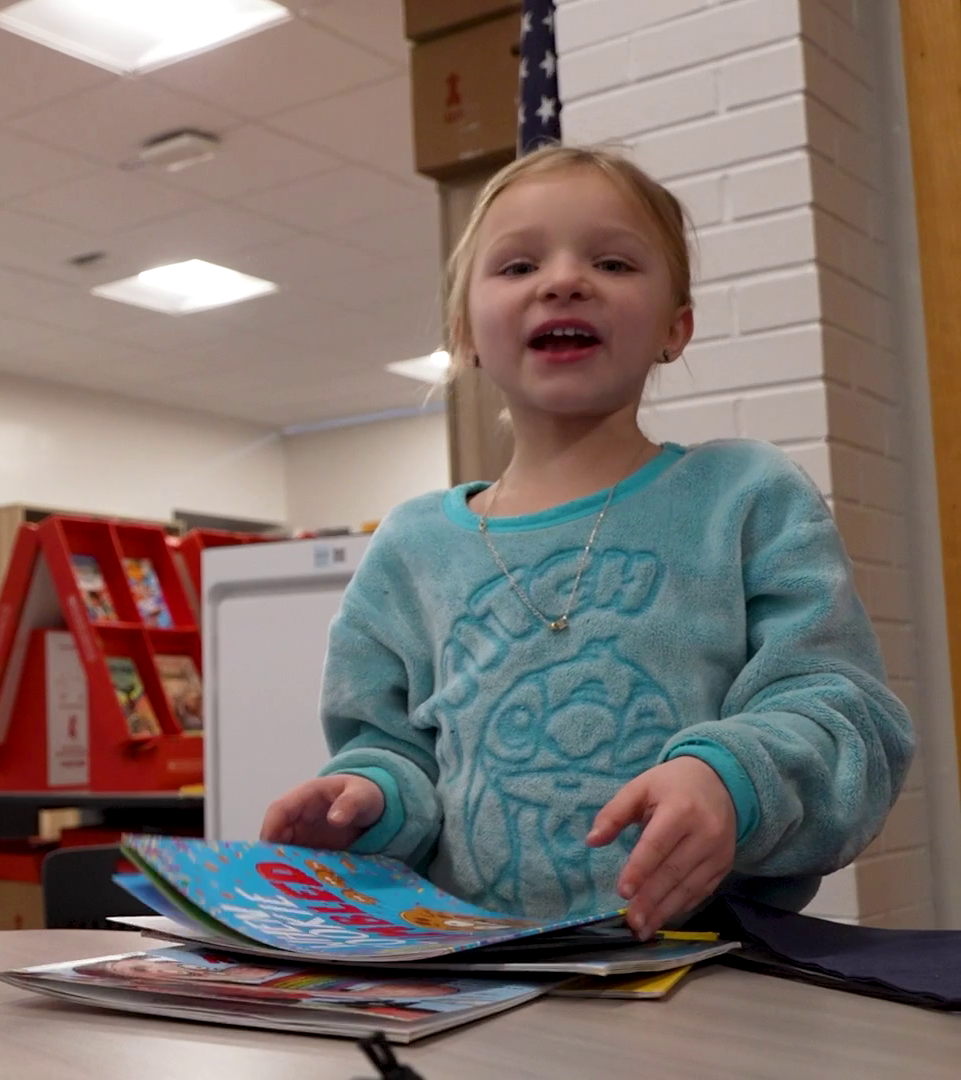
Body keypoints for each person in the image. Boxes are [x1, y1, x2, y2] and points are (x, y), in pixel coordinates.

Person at [260, 144, 915, 940]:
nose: (563, 280)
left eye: (610, 261)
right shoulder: (411, 547)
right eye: (517, 265)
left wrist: (730, 780)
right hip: (475, 979)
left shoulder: (745, 497)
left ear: (676, 329)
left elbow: (848, 721)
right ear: (465, 332)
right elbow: (392, 750)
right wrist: (366, 802)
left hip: (713, 974)